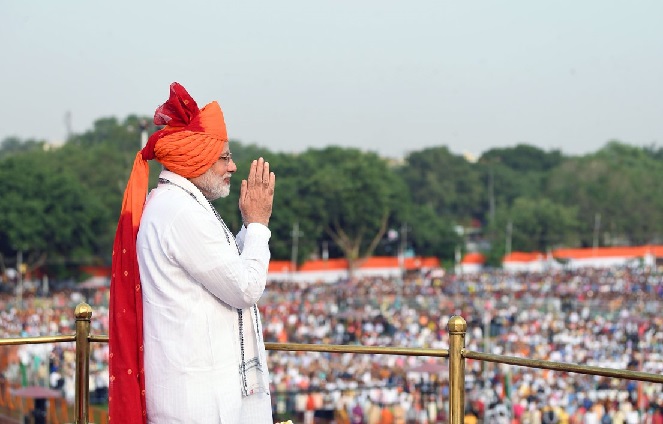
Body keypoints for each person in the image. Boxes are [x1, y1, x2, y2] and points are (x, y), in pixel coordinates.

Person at [109, 82, 276, 423]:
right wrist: (258, 225)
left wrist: (247, 225)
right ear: (195, 158)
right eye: (224, 157)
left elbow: (224, 269)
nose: (233, 167)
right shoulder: (180, 212)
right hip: (197, 403)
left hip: (198, 394)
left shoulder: (180, 204)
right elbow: (244, 287)